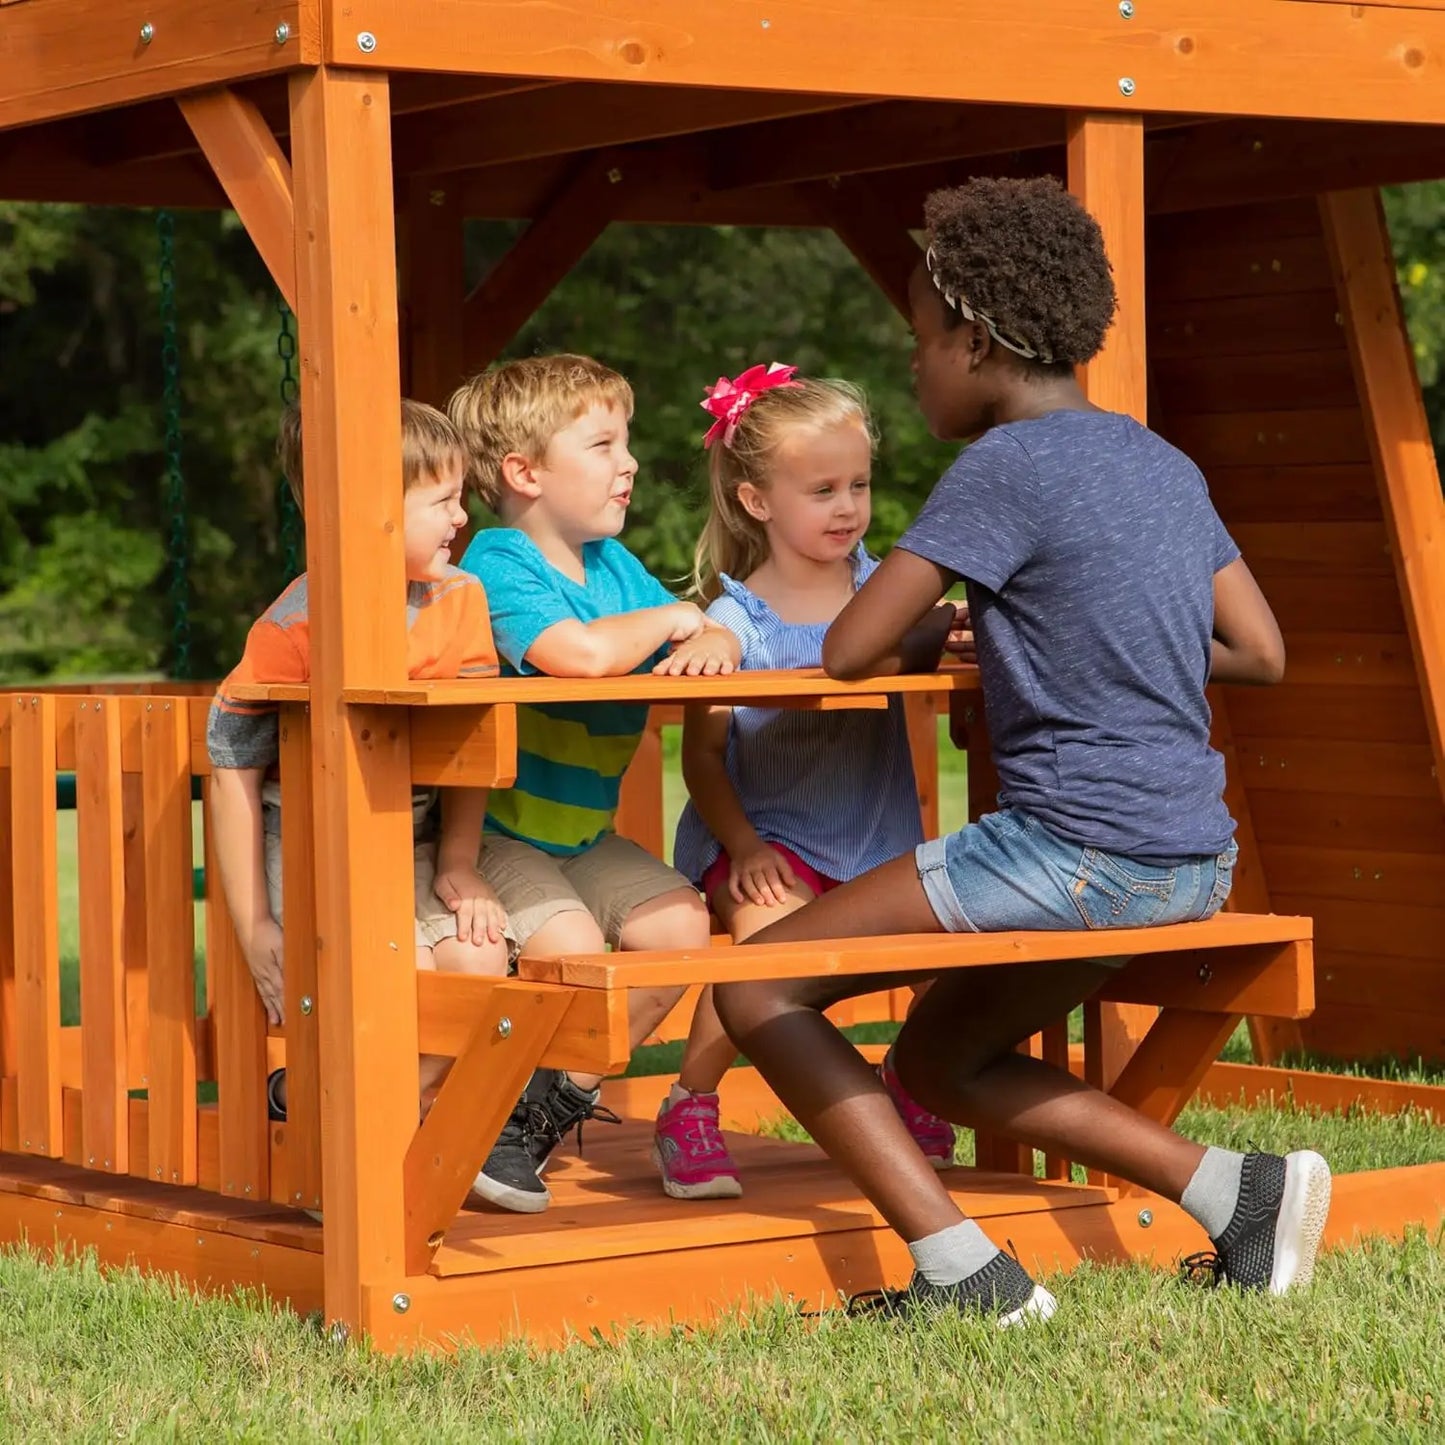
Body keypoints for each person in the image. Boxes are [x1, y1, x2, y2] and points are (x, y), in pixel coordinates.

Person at [713, 176, 1329, 1324]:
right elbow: (1256, 649)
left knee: (754, 986)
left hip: (1072, 848)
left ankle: (965, 1273)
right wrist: (1064, 636)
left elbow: (847, 646)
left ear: (974, 338)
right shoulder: (1155, 460)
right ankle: (1237, 1192)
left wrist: (957, 624)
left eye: (917, 344)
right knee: (941, 1063)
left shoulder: (998, 469)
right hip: (1188, 853)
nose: (912, 369)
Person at [448, 353, 741, 1214]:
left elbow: (686, 634)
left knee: (682, 925)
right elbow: (574, 657)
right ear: (523, 472)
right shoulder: (497, 566)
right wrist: (683, 617)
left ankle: (537, 1111)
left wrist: (714, 633)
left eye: (629, 441)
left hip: (579, 835)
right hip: (497, 831)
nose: (631, 463)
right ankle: (480, 1116)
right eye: (604, 444)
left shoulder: (613, 567)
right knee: (572, 943)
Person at [659, 363, 954, 1201]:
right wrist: (743, 845)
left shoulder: (884, 593)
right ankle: (689, 1102)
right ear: (757, 502)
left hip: (878, 840)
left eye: (858, 484)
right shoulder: (733, 621)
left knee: (947, 949)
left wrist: (953, 633)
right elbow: (703, 758)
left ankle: (915, 1079)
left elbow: (931, 636)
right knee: (763, 958)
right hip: (770, 847)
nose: (847, 506)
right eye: (821, 488)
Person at [207, 400, 511, 1124]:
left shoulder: (460, 597)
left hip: (413, 840)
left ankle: (351, 1123)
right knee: (403, 972)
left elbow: (474, 741)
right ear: (367, 511)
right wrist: (254, 924)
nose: (462, 517)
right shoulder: (293, 625)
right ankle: (359, 1148)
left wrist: (458, 860)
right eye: (442, 500)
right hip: (313, 846)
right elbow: (232, 771)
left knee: (481, 962)